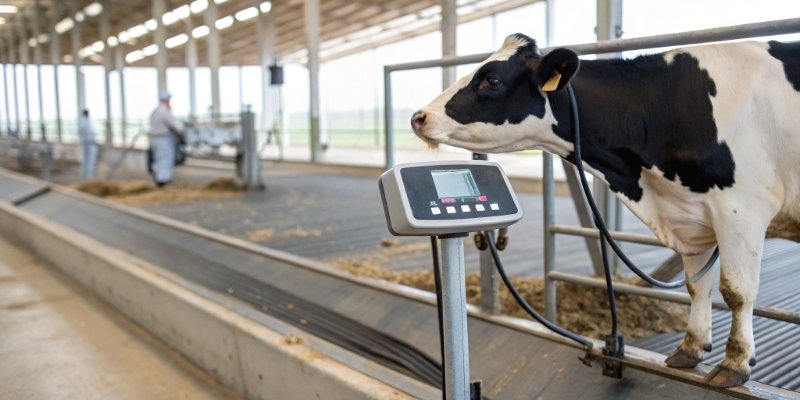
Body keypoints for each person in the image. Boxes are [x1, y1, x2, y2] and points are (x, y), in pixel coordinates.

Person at [149, 90, 185, 187]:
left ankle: (159, 179)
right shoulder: (164, 112)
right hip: (163, 139)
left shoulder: (155, 111)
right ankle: (163, 181)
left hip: (155, 139)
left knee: (158, 159)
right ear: (167, 101)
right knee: (165, 159)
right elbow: (177, 126)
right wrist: (183, 132)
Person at [78, 109, 98, 179]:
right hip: (90, 143)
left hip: (86, 143)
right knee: (90, 161)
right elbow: (91, 133)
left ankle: (85, 175)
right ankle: (89, 176)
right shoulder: (86, 122)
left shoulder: (82, 122)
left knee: (86, 160)